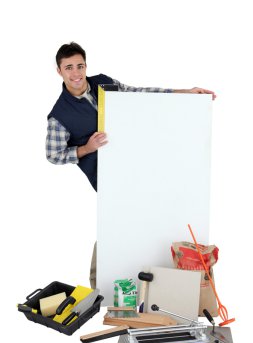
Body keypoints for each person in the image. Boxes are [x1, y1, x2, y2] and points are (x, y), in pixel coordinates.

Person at [46, 42, 216, 287]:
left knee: (147, 219)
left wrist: (185, 93)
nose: (76, 73)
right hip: (107, 178)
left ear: (86, 66)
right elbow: (53, 155)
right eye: (69, 67)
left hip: (136, 164)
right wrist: (86, 149)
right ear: (59, 71)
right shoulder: (59, 115)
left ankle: (159, 283)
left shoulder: (102, 83)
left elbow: (136, 93)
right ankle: (100, 286)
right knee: (115, 226)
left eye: (80, 66)